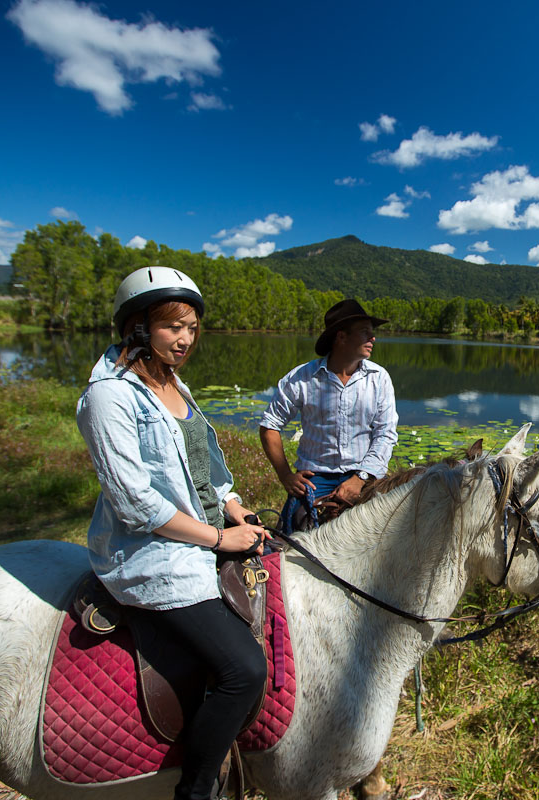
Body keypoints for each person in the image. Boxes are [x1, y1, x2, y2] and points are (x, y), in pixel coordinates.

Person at [76, 266, 267, 800]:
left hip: (207, 531)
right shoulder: (109, 397)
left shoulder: (173, 384)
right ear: (137, 325)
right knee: (244, 669)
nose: (185, 339)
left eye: (192, 327)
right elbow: (134, 500)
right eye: (172, 326)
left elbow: (208, 468)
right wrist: (216, 539)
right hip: (155, 551)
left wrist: (236, 509)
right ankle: (197, 788)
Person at [259, 298, 399, 527]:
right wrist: (285, 475)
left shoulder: (379, 378)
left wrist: (360, 478)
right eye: (365, 332)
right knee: (295, 543)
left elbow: (386, 434)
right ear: (341, 337)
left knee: (378, 545)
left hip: (364, 475)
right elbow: (269, 427)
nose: (373, 338)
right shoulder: (301, 378)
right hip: (314, 479)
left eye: (372, 333)